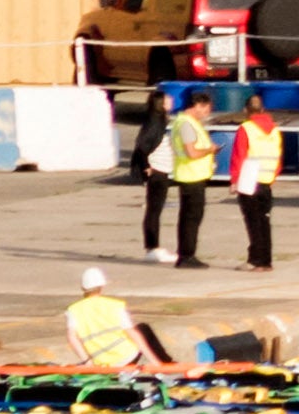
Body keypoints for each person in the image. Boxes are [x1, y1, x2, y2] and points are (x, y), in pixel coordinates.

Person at [161, 94, 216, 269]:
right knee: (191, 218)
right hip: (191, 176)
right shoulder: (186, 124)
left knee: (189, 218)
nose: (207, 113)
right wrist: (210, 150)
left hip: (190, 175)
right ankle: (187, 255)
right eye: (206, 108)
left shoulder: (183, 122)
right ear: (197, 105)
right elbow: (192, 152)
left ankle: (186, 254)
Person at [230, 93, 284, 272]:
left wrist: (234, 181)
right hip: (267, 181)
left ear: (246, 110)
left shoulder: (246, 128)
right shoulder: (275, 130)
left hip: (249, 181)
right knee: (264, 222)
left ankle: (255, 260)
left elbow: (239, 156)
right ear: (263, 109)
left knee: (253, 223)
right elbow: (278, 157)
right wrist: (272, 176)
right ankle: (266, 261)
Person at [62, 268, 142, 370]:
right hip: (126, 356)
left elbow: (72, 337)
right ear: (102, 286)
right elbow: (132, 332)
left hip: (101, 362)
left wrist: (87, 361)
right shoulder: (115, 305)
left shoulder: (74, 310)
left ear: (83, 288)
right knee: (143, 329)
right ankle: (165, 370)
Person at [132, 93, 176, 259]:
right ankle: (152, 247)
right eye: (167, 99)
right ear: (160, 103)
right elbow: (142, 146)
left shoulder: (161, 121)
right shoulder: (154, 122)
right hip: (156, 170)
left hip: (162, 169)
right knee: (154, 210)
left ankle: (153, 246)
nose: (171, 101)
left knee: (155, 209)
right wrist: (146, 167)